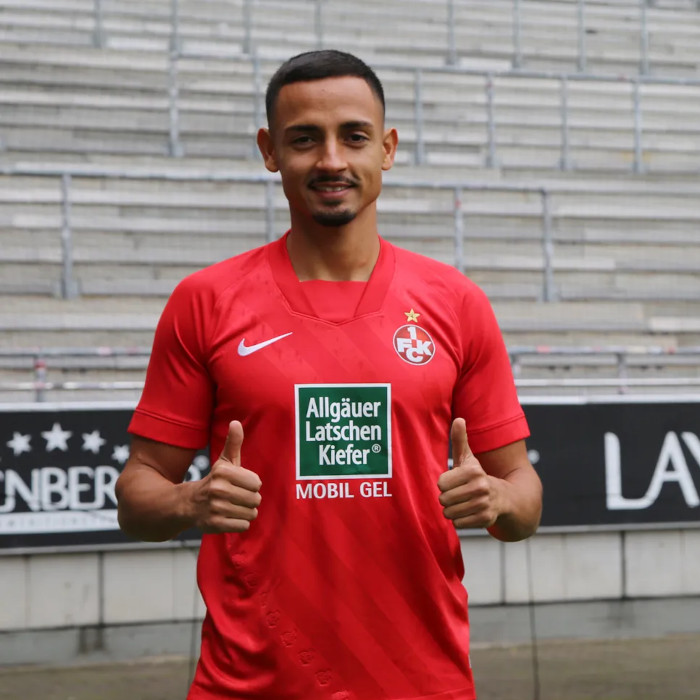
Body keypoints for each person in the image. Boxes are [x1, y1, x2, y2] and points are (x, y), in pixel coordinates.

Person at [116, 49, 542, 700]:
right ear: (269, 151)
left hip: (421, 684)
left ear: (387, 149)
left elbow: (525, 498)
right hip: (249, 686)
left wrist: (499, 501)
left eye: (354, 136)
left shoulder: (456, 304)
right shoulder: (205, 301)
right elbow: (137, 493)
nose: (332, 160)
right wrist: (187, 502)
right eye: (305, 139)